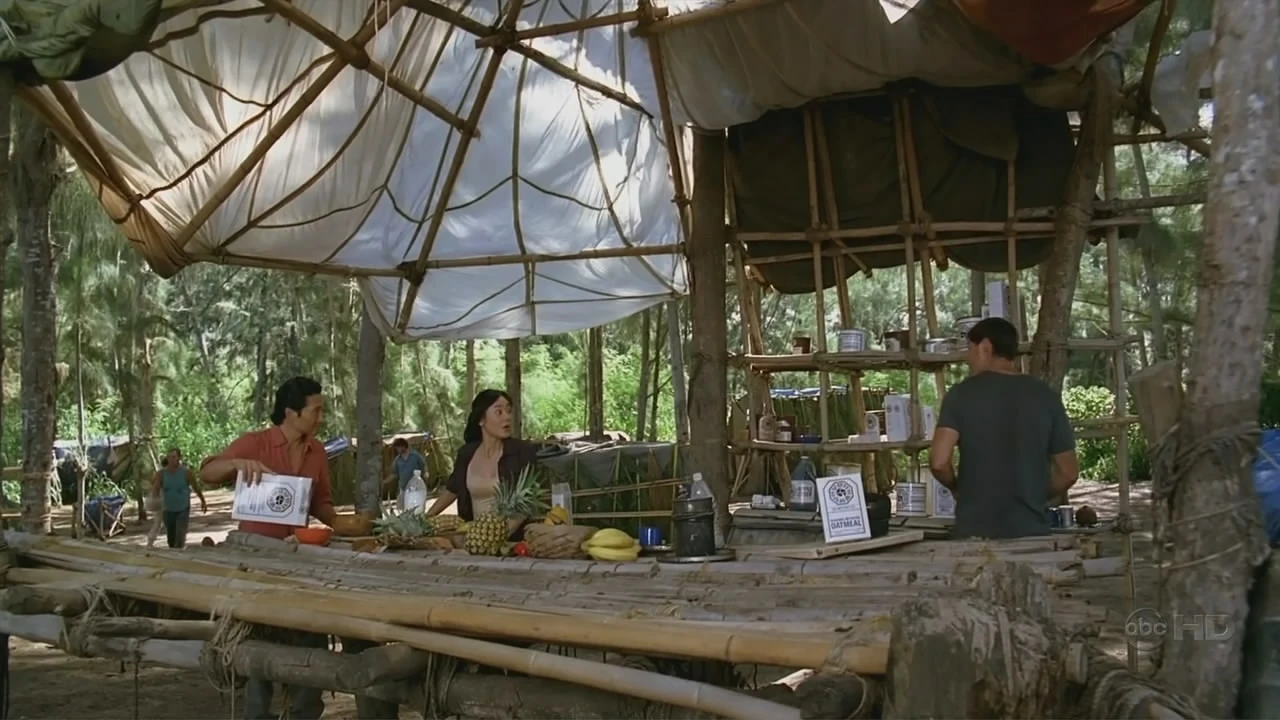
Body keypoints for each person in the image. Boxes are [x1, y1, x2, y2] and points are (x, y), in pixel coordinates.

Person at [200, 376, 346, 720]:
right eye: (316, 410)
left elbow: (321, 503)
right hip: (258, 566)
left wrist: (345, 524)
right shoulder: (255, 443)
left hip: (302, 565)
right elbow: (207, 472)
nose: (321, 417)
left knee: (311, 641)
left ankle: (304, 712)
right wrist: (236, 464)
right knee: (259, 651)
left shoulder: (317, 451)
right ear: (291, 412)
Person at [927, 317, 1079, 539]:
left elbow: (939, 462)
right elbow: (1068, 472)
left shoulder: (960, 395)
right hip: (1031, 532)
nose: (968, 360)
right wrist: (1033, 497)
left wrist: (957, 488)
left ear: (985, 347)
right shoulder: (1045, 396)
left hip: (975, 531)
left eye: (970, 350)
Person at [426, 389, 539, 537]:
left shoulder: (522, 452)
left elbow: (528, 501)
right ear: (481, 420)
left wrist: (501, 535)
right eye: (499, 412)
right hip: (472, 537)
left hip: (511, 540)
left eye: (509, 411)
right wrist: (425, 520)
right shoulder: (466, 454)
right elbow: (452, 490)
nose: (507, 417)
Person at [149, 447, 206, 549]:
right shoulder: (161, 474)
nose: (171, 459)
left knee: (180, 536)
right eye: (169, 457)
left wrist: (203, 501)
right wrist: (154, 501)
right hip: (168, 509)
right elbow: (155, 489)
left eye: (174, 457)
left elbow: (196, 487)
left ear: (179, 458)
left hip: (183, 508)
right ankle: (174, 553)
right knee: (171, 538)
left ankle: (179, 551)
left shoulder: (186, 472)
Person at [387, 437, 427, 506]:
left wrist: (426, 473)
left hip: (416, 488)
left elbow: (424, 465)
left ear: (403, 446)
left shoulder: (415, 456)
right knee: (404, 507)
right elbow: (394, 474)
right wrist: (385, 481)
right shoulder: (397, 460)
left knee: (416, 507)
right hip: (404, 488)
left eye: (398, 447)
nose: (397, 449)